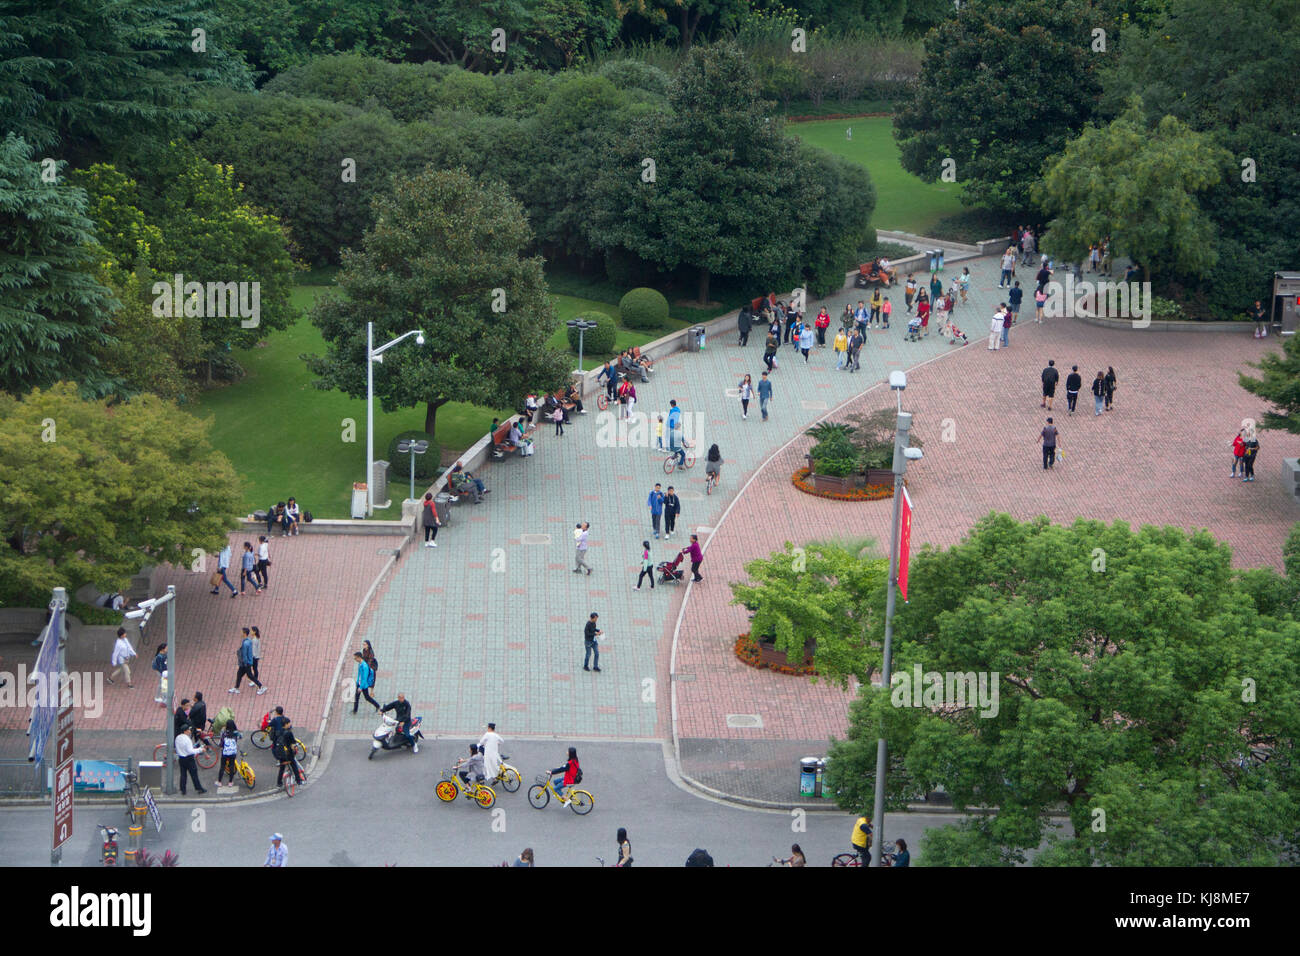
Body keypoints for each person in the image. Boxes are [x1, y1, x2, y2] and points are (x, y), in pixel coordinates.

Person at [230, 627, 265, 695]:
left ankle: (261, 686)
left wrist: (245, 663)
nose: (240, 633)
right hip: (246, 662)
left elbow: (245, 654)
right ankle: (236, 687)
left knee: (249, 675)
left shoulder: (246, 643)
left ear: (244, 633)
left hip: (245, 663)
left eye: (241, 632)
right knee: (239, 674)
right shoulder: (248, 640)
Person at [175, 726, 207, 795]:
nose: (190, 731)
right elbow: (190, 751)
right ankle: (198, 788)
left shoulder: (177, 738)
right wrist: (200, 750)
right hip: (189, 759)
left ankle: (183, 789)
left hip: (181, 758)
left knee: (183, 774)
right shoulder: (187, 740)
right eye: (188, 730)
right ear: (185, 731)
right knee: (194, 774)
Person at [217, 720, 240, 790]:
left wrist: (221, 746)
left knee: (222, 766)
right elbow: (239, 737)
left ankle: (219, 782)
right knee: (232, 766)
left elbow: (221, 743)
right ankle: (230, 782)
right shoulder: (236, 733)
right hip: (233, 753)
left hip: (225, 752)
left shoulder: (224, 733)